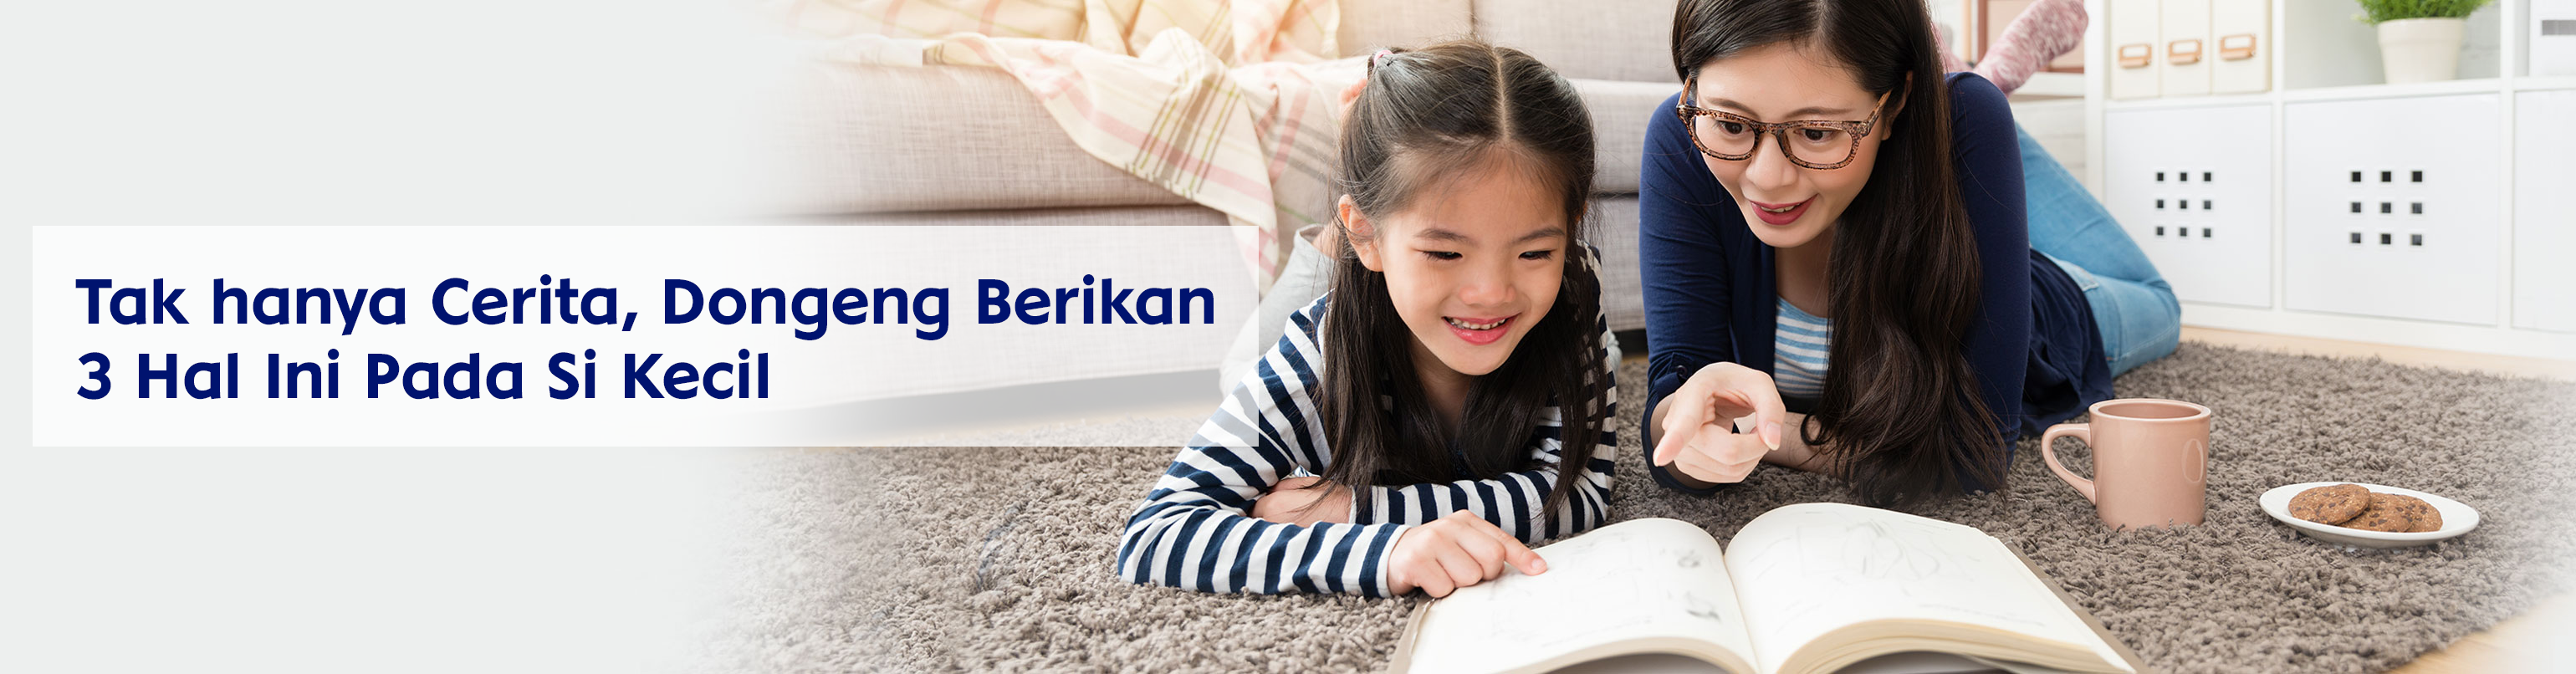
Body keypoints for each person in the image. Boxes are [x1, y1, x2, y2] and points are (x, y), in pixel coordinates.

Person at [1118, 38, 1620, 597]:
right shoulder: (1317, 351)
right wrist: (1388, 554)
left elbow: (1580, 493)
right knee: (1240, 371)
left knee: (1600, 350)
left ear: (1570, 229)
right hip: (1350, 306)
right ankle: (1334, 236)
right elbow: (1154, 535)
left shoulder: (1573, 294)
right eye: (1445, 253)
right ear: (1368, 234)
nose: (1490, 293)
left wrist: (1356, 509)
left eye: (1534, 253)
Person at [1640, 0, 2177, 508]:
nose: (1767, 178)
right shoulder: (1682, 131)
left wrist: (1772, 440)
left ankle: (1977, 93)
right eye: (1732, 125)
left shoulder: (1964, 122)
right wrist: (1684, 436)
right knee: (1968, 113)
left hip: (2052, 306)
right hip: (1927, 150)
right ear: (1692, 88)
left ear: (1894, 103)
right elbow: (1671, 405)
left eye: (1818, 131)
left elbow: (1976, 453)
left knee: (2162, 307)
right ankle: (1972, 91)